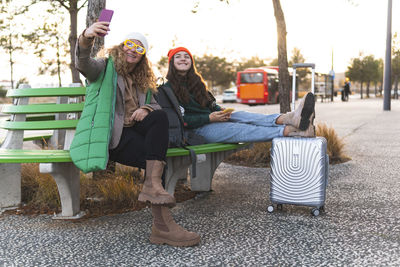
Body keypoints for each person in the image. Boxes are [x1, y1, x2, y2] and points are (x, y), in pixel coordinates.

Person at [75, 22, 200, 247]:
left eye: (139, 48)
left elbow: (156, 107)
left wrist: (147, 108)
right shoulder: (104, 68)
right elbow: (83, 64)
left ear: (143, 55)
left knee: (157, 146)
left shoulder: (144, 80)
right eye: (130, 44)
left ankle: (159, 213)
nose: (133, 49)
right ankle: (163, 226)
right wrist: (86, 37)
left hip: (138, 131)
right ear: (122, 47)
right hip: (115, 136)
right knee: (158, 157)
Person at [163, 47, 315, 144]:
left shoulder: (197, 83)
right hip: (194, 132)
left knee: (241, 114)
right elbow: (179, 121)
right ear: (171, 63)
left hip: (211, 121)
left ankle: (290, 118)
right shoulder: (167, 89)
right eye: (178, 56)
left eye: (186, 56)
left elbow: (210, 105)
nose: (183, 58)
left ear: (191, 62)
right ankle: (293, 131)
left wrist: (220, 111)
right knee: (237, 128)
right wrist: (209, 118)